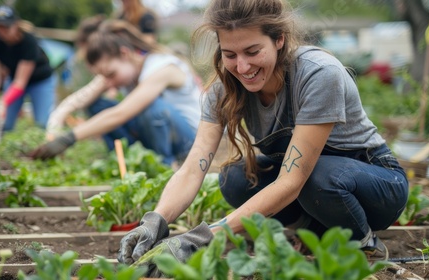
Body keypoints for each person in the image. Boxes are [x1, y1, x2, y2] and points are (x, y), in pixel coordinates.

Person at [116, 0, 409, 275]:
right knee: (235, 178)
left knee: (318, 177)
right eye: (230, 55)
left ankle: (365, 243)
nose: (242, 67)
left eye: (253, 52)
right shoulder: (224, 90)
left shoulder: (318, 74)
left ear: (279, 39)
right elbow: (193, 167)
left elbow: (292, 181)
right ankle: (312, 232)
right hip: (313, 188)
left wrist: (203, 236)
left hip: (376, 186)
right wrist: (155, 220)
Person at [30, 20, 202, 167]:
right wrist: (58, 117)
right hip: (157, 134)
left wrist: (68, 138)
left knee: (153, 107)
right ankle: (127, 162)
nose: (109, 83)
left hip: (189, 142)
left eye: (111, 74)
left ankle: (167, 167)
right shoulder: (126, 71)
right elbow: (84, 97)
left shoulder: (162, 68)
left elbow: (121, 113)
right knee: (96, 104)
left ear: (125, 54)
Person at [0, 5, 56, 131]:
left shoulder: (29, 40)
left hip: (40, 81)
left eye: (6, 27)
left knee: (43, 122)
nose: (3, 31)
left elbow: (20, 82)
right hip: (14, 79)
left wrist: (3, 102)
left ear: (16, 24)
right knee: (4, 123)